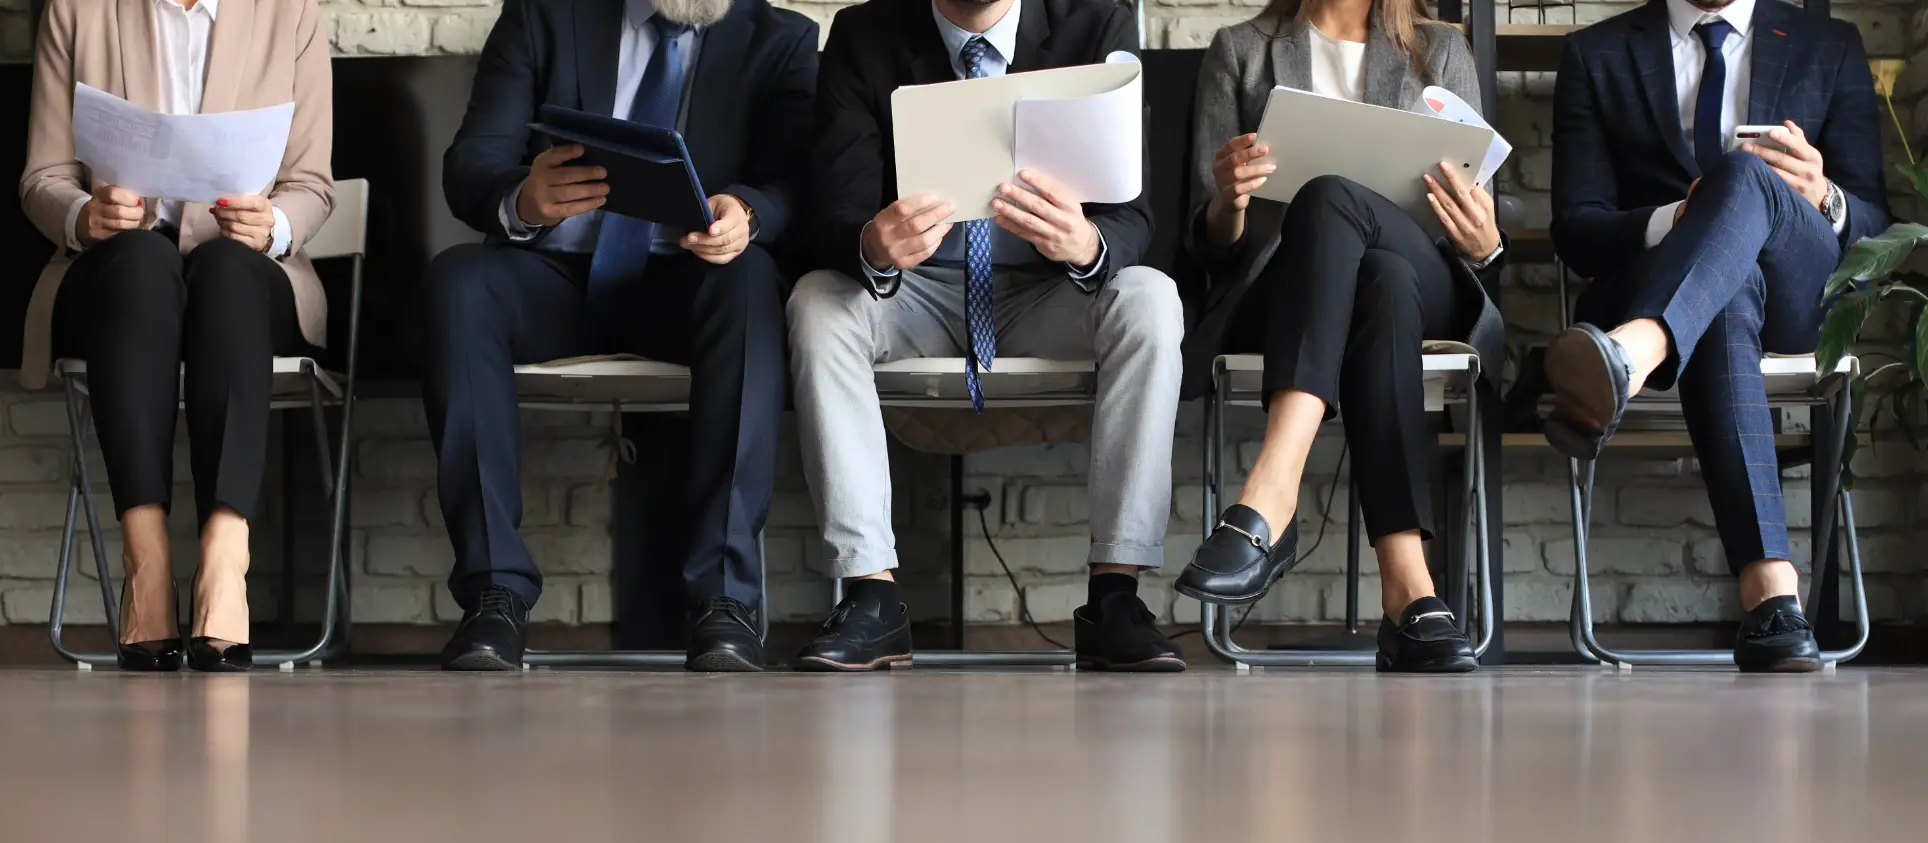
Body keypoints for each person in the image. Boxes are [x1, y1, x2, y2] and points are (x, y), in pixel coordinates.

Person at [788, 0, 1187, 673]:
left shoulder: (1098, 27)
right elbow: (835, 207)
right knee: (817, 303)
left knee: (1150, 297)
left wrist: (1085, 243)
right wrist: (874, 243)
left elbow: (1134, 216)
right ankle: (871, 596)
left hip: (1049, 292)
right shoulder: (865, 33)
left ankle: (1116, 595)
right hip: (916, 292)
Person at [425, 0, 817, 671]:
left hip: (687, 280)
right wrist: (523, 195)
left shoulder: (782, 39)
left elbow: (795, 181)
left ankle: (724, 600)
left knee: (751, 282)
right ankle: (494, 594)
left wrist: (747, 211)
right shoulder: (544, 17)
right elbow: (471, 161)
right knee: (458, 284)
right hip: (555, 275)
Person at [1545, 0, 1888, 672]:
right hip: (1665, 280)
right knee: (1724, 296)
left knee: (1746, 177)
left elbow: (1876, 224)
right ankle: (1772, 602)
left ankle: (1634, 352)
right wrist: (1683, 217)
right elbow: (1577, 230)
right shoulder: (1596, 54)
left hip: (1797, 294)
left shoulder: (1831, 44)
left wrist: (1825, 195)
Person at [1170, 0, 1503, 673]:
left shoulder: (1440, 52)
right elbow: (1205, 247)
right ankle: (1410, 588)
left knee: (1333, 199)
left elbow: (1475, 228)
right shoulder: (1241, 50)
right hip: (1286, 296)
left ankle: (1272, 493)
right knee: (1376, 279)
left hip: (1428, 277)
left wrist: (1487, 241)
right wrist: (1227, 203)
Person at [18, 0, 335, 673]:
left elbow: (313, 182)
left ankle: (225, 561)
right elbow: (42, 177)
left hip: (246, 273)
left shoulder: (292, 12)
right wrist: (84, 213)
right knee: (141, 262)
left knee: (225, 267)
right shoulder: (78, 11)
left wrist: (273, 224)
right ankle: (148, 561)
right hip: (118, 274)